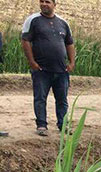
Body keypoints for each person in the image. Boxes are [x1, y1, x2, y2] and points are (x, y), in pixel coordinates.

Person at [21, 0, 75, 137]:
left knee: (62, 99)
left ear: (54, 5)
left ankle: (63, 124)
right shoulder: (33, 20)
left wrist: (72, 62)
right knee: (40, 98)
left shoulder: (63, 23)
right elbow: (25, 40)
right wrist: (32, 62)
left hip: (61, 70)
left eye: (48, 2)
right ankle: (41, 125)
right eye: (42, 1)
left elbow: (69, 43)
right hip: (41, 69)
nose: (44, 4)